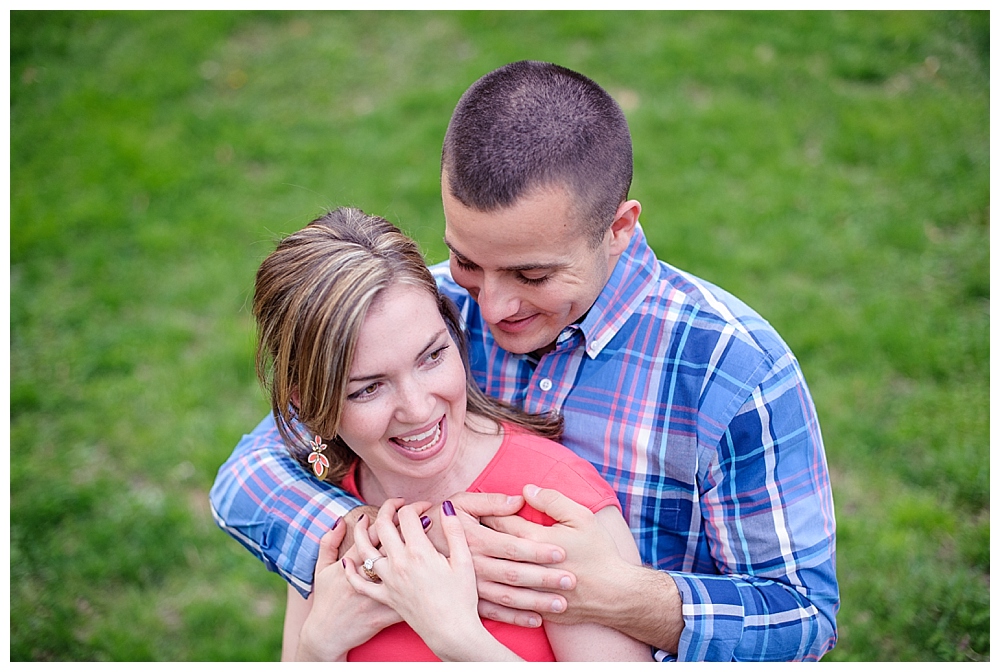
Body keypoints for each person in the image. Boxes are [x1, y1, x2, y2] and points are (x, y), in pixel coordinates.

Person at [211, 61, 839, 661]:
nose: (491, 306)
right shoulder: (421, 314)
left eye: (532, 273)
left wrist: (615, 595)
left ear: (618, 229)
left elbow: (803, 616)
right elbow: (251, 473)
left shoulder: (733, 371)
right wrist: (393, 543)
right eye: (466, 260)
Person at [249, 207, 651, 661]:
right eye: (369, 388)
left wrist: (457, 637)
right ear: (307, 405)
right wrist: (318, 646)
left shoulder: (551, 504)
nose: (419, 408)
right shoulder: (328, 509)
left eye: (432, 357)